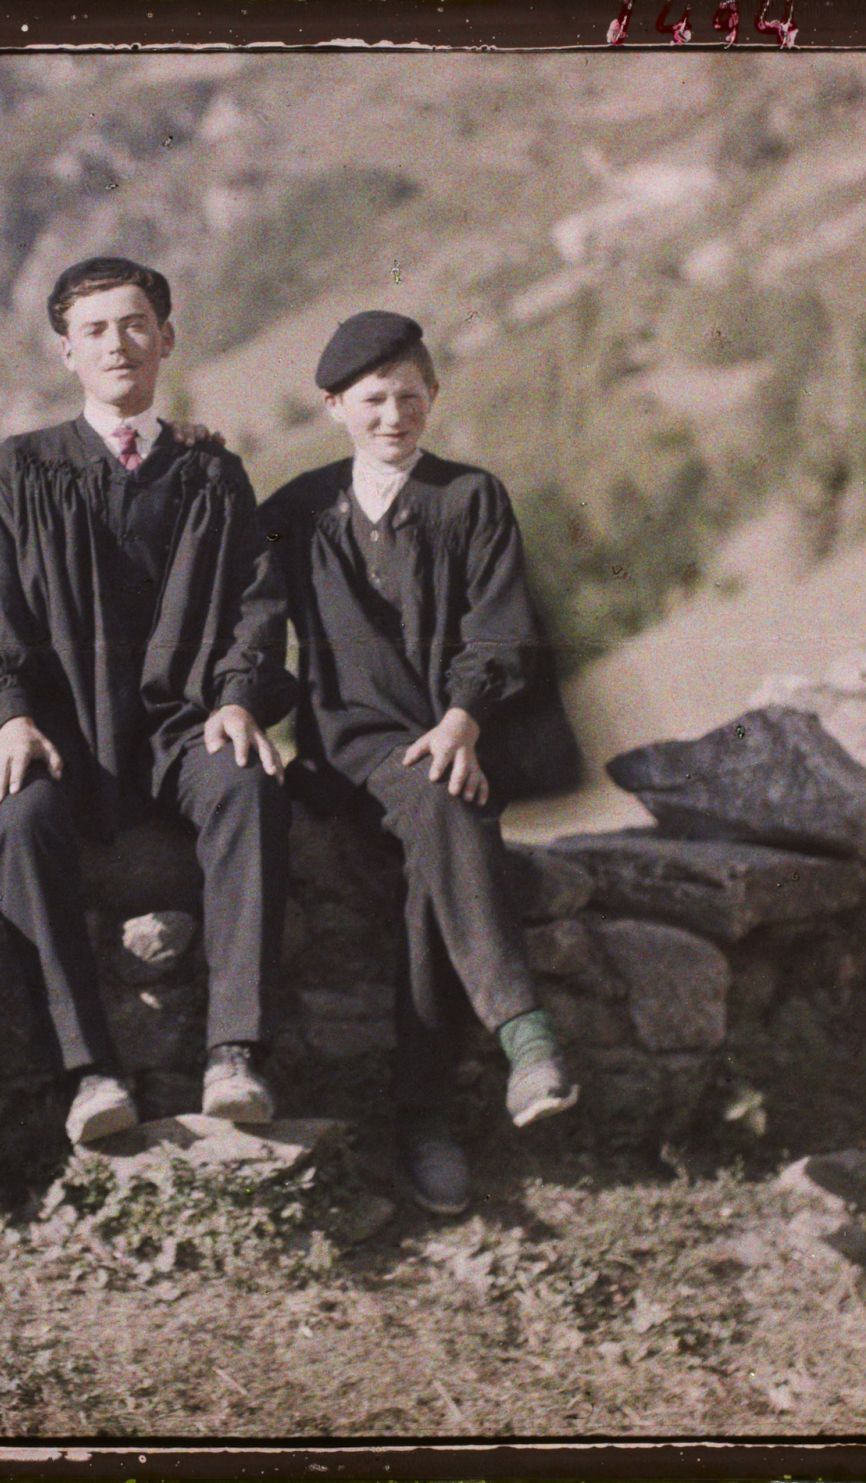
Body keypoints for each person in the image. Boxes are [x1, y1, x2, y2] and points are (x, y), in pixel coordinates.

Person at [0, 255, 297, 1146]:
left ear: (167, 338)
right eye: (96, 329)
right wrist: (12, 712)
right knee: (19, 821)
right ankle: (90, 1069)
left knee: (250, 785)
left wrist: (236, 696)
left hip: (183, 725)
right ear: (67, 352)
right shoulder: (22, 471)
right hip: (62, 732)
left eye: (135, 323)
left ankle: (235, 1052)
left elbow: (258, 601)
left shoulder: (211, 473)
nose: (118, 343)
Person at [259, 310, 583, 1216]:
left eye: (410, 396)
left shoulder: (470, 498)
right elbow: (240, 605)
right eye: (372, 400)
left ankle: (426, 1123)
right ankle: (521, 1034)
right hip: (348, 756)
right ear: (334, 407)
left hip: (450, 742)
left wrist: (463, 720)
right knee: (446, 811)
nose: (393, 416)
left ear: (434, 397)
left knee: (427, 868)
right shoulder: (295, 513)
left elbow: (501, 629)